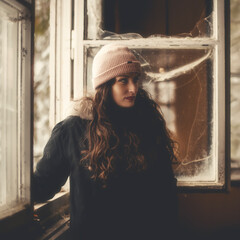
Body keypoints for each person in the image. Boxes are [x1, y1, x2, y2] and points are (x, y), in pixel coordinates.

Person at [32, 44, 178, 239]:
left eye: (135, 80)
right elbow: (43, 185)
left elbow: (165, 191)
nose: (133, 88)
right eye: (123, 81)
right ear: (105, 85)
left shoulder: (148, 125)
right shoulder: (73, 130)